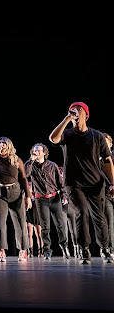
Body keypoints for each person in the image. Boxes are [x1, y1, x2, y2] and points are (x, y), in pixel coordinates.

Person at [49, 102, 114, 263]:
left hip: (95, 184)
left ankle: (105, 249)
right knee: (82, 211)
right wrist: (66, 119)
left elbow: (107, 160)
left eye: (79, 110)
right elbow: (53, 138)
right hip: (74, 184)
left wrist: (113, 183)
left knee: (99, 216)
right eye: (73, 110)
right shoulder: (67, 134)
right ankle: (84, 250)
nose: (75, 112)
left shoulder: (97, 136)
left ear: (86, 114)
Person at [0, 137, 31, 262]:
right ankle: (1, 251)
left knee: (20, 221)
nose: (1, 145)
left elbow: (23, 178)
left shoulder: (16, 160)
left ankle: (23, 250)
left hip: (15, 192)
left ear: (9, 146)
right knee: (0, 222)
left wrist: (27, 197)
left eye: (4, 144)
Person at [24, 143, 69, 259]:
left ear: (44, 152)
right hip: (40, 199)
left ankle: (64, 246)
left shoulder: (52, 165)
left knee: (60, 225)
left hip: (54, 198)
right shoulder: (31, 166)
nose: (36, 152)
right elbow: (25, 174)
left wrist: (64, 196)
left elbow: (61, 183)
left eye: (38, 150)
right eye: (34, 150)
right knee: (45, 227)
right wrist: (31, 160)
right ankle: (47, 250)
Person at [59, 166, 80, 258]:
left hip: (71, 207)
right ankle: (65, 249)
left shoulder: (70, 181)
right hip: (61, 208)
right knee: (63, 229)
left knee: (74, 230)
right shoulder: (56, 182)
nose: (61, 174)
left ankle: (77, 249)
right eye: (60, 172)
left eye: (62, 172)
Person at [102, 134, 114, 258]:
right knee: (109, 222)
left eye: (106, 143)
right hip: (106, 195)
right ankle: (111, 249)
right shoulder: (98, 160)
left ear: (110, 144)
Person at [26, 181, 44, 257]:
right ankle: (30, 251)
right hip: (29, 214)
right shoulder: (25, 196)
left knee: (39, 234)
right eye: (28, 185)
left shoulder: (36, 194)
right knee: (29, 234)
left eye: (30, 185)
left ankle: (41, 251)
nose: (29, 186)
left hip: (36, 214)